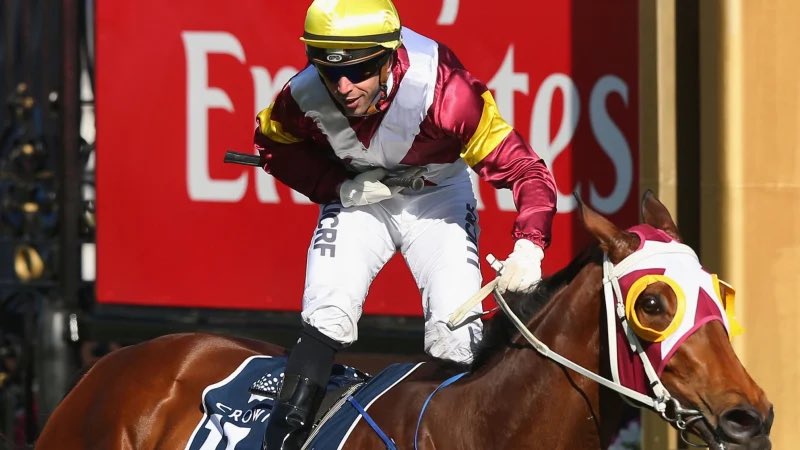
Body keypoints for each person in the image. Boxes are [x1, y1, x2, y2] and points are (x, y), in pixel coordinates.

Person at [253, 0, 557, 448]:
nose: (343, 87)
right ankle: (281, 439)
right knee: (326, 310)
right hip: (362, 196)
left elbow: (526, 170)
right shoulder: (301, 95)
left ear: (390, 54)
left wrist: (530, 244)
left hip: (439, 198)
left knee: (455, 333)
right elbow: (273, 148)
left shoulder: (447, 93)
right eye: (327, 70)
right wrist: (337, 187)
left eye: (358, 70)